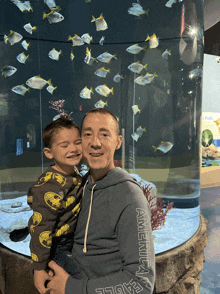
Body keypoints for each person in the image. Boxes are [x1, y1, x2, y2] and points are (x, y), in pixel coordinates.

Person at [47, 108, 156, 294]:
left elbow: (141, 284)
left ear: (118, 141)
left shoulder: (130, 198)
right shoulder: (80, 187)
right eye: (88, 134)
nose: (95, 143)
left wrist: (73, 287)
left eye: (104, 134)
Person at [27, 117, 85, 294]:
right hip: (55, 246)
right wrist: (38, 269)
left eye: (77, 142)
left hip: (71, 240)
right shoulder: (49, 187)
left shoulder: (72, 172)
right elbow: (41, 230)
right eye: (64, 145)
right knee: (79, 278)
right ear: (49, 153)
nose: (73, 149)